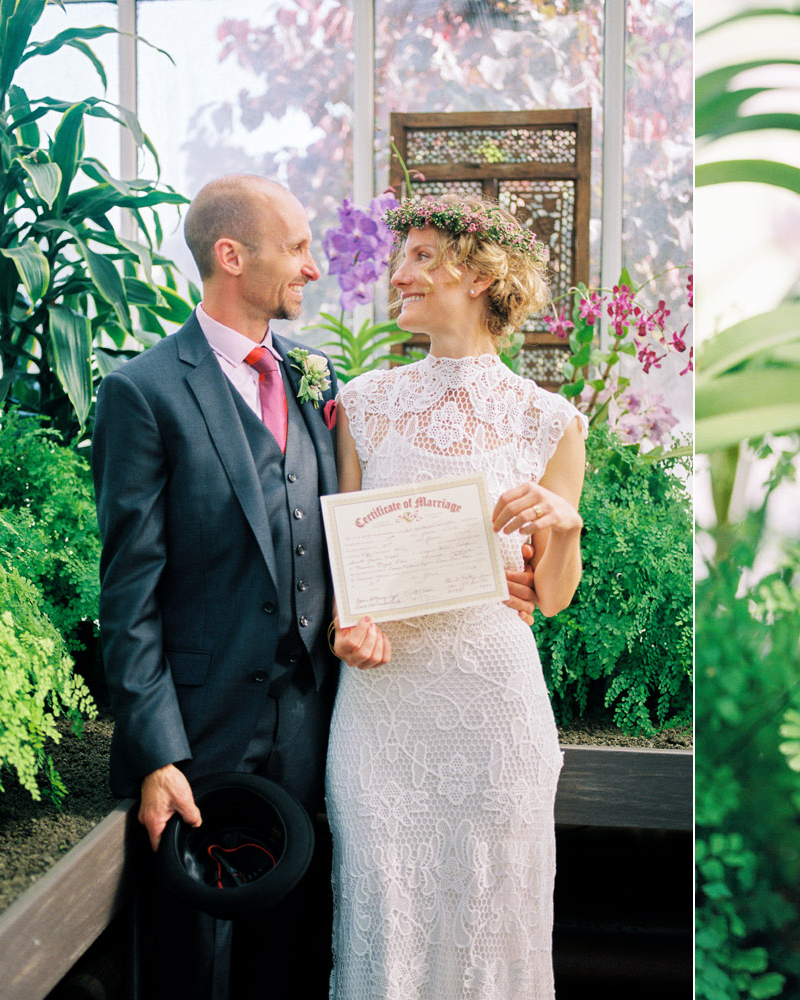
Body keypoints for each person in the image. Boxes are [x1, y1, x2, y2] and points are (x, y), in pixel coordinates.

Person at [91, 175, 532, 999]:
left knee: (286, 967)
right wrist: (157, 756)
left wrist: (482, 568)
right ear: (232, 256)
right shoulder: (142, 394)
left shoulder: (320, 383)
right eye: (296, 248)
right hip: (199, 739)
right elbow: (129, 595)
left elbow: (360, 529)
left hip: (313, 730)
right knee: (191, 972)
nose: (315, 268)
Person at [326, 195, 586, 999]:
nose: (398, 274)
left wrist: (564, 528)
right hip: (383, 707)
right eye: (402, 259)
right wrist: (348, 626)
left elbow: (551, 596)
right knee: (381, 905)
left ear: (479, 275)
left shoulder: (551, 420)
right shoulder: (362, 404)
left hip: (494, 711)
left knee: (490, 929)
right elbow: (344, 563)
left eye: (423, 258)